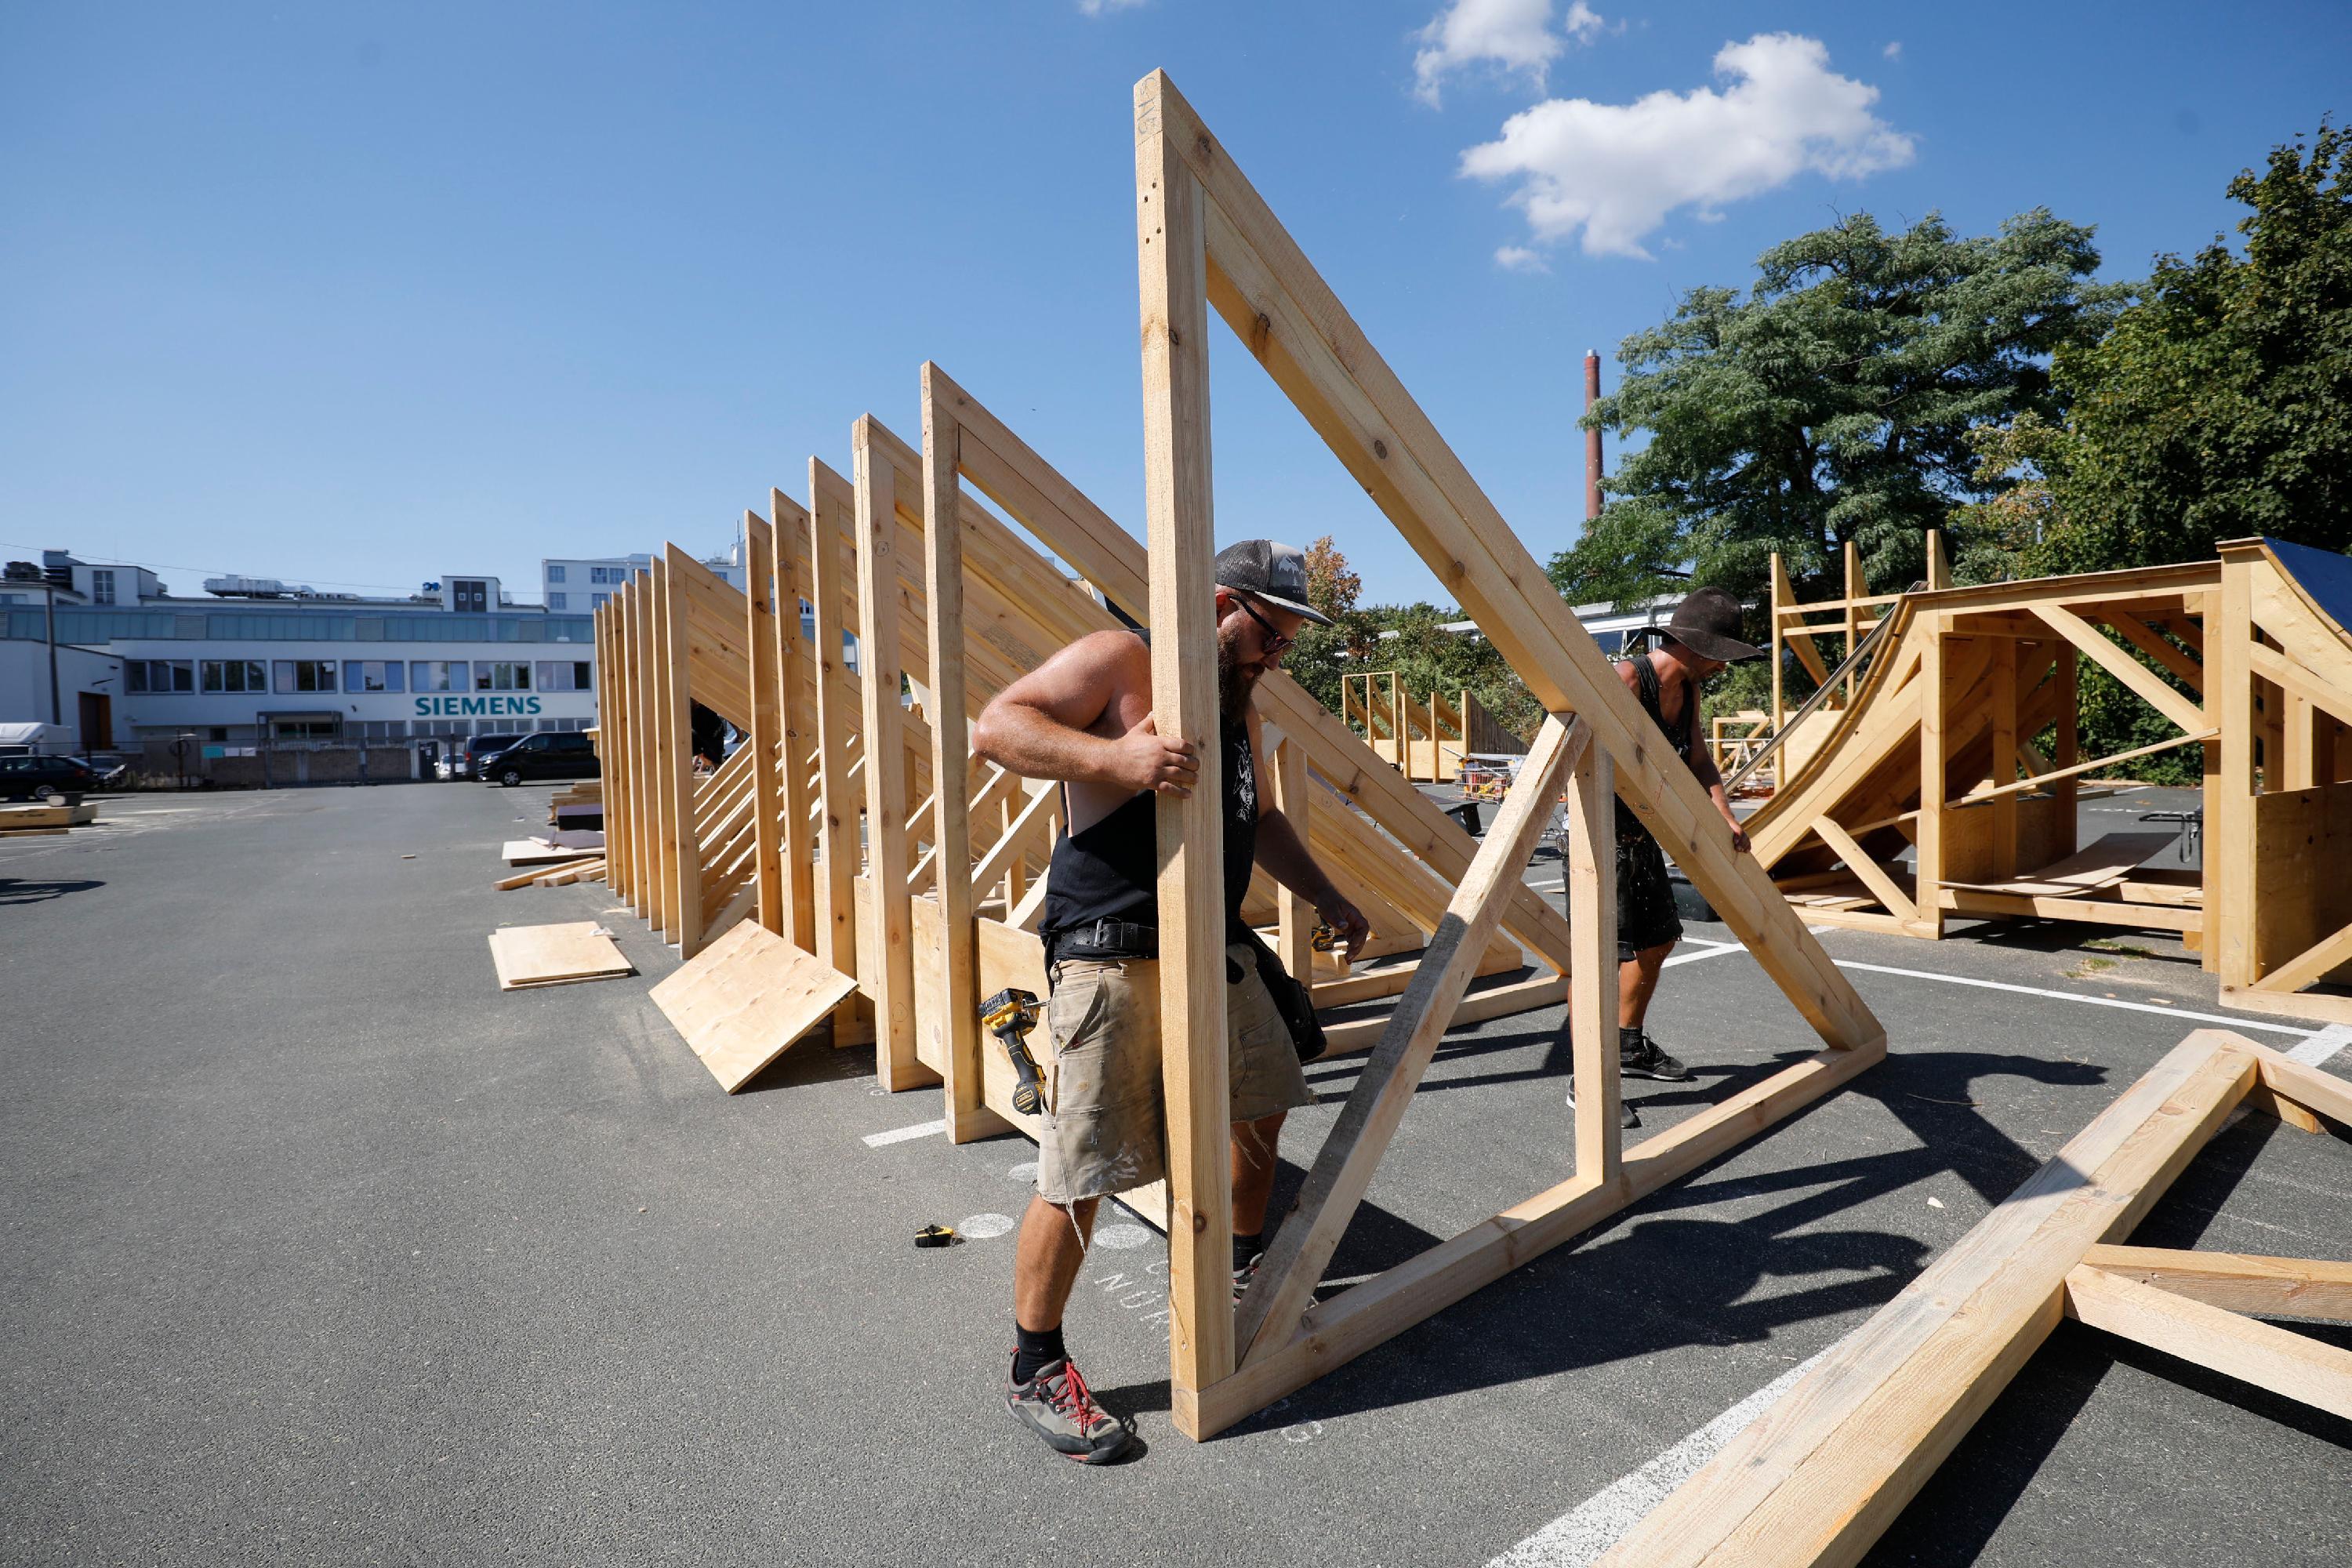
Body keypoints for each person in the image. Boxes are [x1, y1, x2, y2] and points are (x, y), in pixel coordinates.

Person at [970, 539, 1371, 1465]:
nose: (1281, 655)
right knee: (1085, 1165)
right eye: (1273, 633)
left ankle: (1237, 1276)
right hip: (1113, 954)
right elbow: (997, 727)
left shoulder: (1238, 699)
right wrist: (1119, 758)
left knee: (1261, 1104)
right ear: (1224, 601)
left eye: (1291, 642)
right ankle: (1035, 1362)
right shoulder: (1123, 660)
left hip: (1213, 946)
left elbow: (1257, 818)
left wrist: (1329, 893)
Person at [1566, 586, 1764, 1131]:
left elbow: (1700, 763)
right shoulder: (1627, 680)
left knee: (1657, 941)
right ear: (1703, 650)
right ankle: (1587, 1079)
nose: (1726, 666)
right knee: (1599, 959)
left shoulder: (1690, 694)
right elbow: (1571, 750)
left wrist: (1725, 818)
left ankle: (1628, 1045)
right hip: (1597, 834)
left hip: (1644, 831)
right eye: (1724, 655)